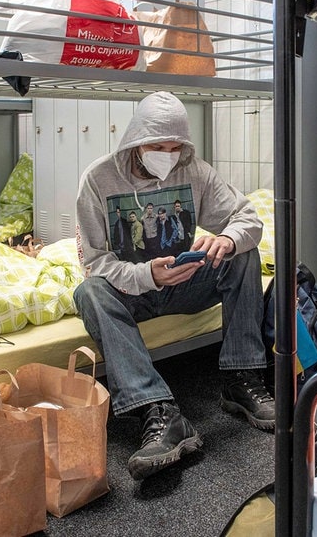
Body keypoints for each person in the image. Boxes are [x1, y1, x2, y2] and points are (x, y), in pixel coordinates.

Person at [74, 91, 273, 480]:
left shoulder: (194, 170)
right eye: (155, 146)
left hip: (182, 283)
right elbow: (94, 262)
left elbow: (246, 217)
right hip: (132, 290)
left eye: (174, 146)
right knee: (89, 293)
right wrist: (148, 275)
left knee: (244, 254)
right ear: (135, 141)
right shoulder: (98, 179)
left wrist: (228, 239)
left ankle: (240, 378)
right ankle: (159, 409)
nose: (166, 154)